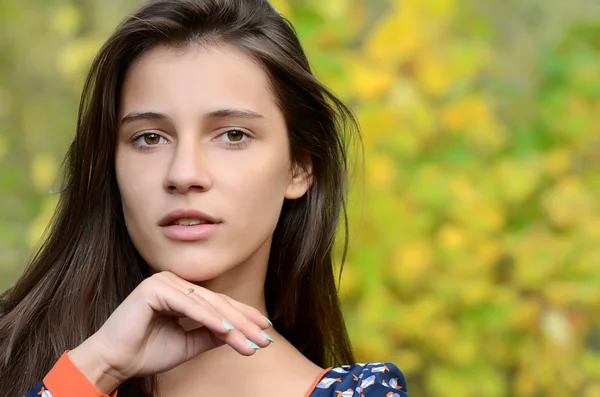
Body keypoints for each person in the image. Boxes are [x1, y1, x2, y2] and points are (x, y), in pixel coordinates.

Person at [0, 0, 410, 396]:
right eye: (149, 138)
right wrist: (97, 368)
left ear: (299, 168)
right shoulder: (15, 357)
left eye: (233, 135)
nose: (184, 174)